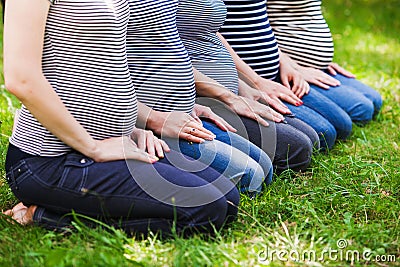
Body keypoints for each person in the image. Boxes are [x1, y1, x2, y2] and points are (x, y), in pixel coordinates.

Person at [2, 0, 240, 237]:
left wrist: (131, 129)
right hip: (50, 160)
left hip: (112, 144)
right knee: (209, 209)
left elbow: (97, 67)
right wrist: (93, 147)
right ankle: (45, 216)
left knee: (227, 197)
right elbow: (21, 79)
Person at [126, 0, 274, 191]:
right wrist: (152, 118)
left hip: (185, 112)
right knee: (250, 176)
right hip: (152, 120)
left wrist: (191, 100)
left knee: (265, 167)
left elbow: (168, 48)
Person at [175, 0, 319, 173]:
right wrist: (228, 97)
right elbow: (169, 55)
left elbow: (211, 34)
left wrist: (245, 86)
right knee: (295, 149)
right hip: (204, 99)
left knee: (313, 139)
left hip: (234, 89)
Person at [219, 0, 356, 150]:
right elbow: (208, 34)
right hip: (244, 81)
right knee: (323, 135)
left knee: (342, 125)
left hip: (277, 75)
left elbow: (261, 23)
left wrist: (286, 63)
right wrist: (255, 81)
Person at [266, 0, 382, 122]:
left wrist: (321, 59)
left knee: (374, 99)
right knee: (362, 109)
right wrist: (295, 67)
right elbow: (256, 24)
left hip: (316, 67)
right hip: (288, 71)